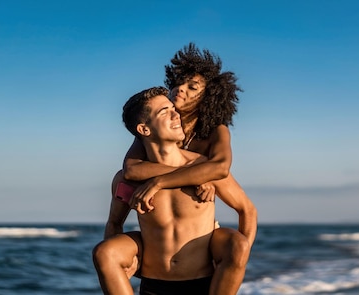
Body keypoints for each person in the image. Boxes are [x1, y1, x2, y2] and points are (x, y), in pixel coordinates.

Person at [93, 44, 255, 295]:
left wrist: (236, 265)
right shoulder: (142, 149)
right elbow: (130, 173)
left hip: (200, 270)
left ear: (207, 97)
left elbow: (223, 172)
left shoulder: (207, 158)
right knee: (105, 252)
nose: (180, 90)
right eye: (178, 84)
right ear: (144, 129)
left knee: (237, 244)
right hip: (154, 277)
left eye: (193, 87)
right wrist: (124, 262)